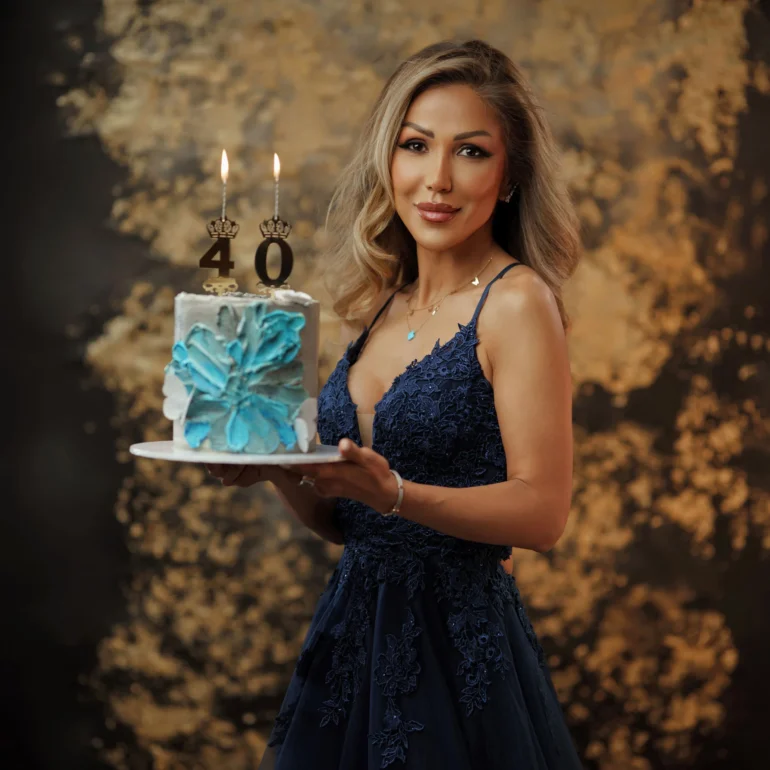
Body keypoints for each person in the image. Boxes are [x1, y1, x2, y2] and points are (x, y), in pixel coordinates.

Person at [208, 39, 582, 769]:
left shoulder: (517, 304)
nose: (437, 179)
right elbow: (352, 525)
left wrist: (398, 493)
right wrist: (280, 470)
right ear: (390, 159)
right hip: (351, 643)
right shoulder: (378, 303)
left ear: (508, 177)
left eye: (471, 152)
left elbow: (544, 514)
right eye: (416, 146)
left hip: (458, 655)